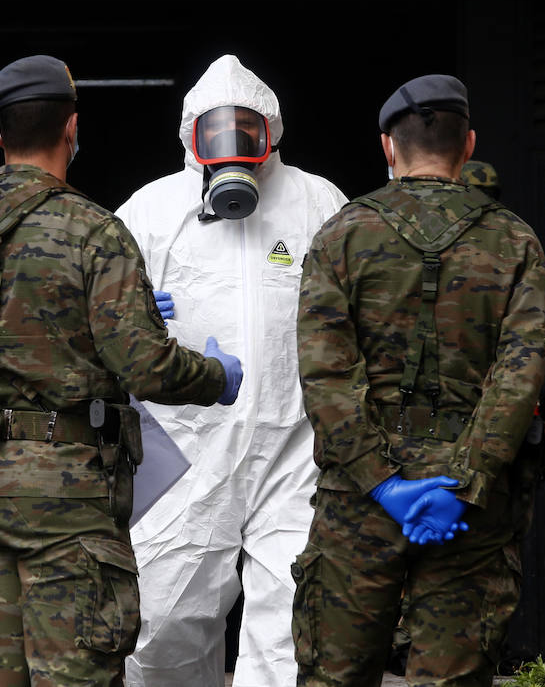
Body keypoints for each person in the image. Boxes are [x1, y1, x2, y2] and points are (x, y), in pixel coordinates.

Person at [0, 54, 243, 687]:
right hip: (71, 497)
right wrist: (216, 376)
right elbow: (146, 366)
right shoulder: (96, 233)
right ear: (72, 128)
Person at [292, 74, 545, 686]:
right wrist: (466, 478)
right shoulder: (516, 241)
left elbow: (325, 370)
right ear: (468, 144)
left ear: (388, 146)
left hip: (360, 500)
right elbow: (522, 374)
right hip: (472, 507)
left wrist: (382, 483)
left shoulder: (341, 235)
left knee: (336, 675)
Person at [114, 53, 346, 687]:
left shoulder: (316, 200)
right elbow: (101, 325)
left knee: (290, 631)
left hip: (293, 446)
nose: (233, 149)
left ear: (272, 133)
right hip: (183, 449)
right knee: (160, 628)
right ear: (191, 138)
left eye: (249, 132)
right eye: (216, 133)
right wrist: (128, 310)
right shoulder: (151, 211)